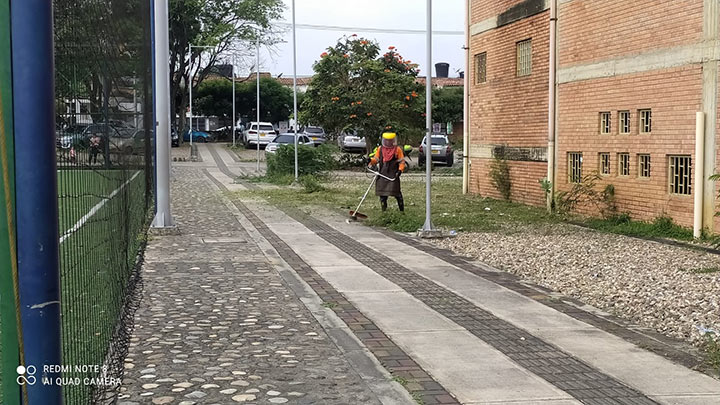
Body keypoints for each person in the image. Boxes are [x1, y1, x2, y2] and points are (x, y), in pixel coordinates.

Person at [368, 132, 406, 211]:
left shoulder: (397, 150)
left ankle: (402, 211)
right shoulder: (380, 149)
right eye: (386, 140)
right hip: (382, 174)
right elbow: (376, 159)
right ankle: (384, 212)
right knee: (382, 196)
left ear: (393, 141)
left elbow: (402, 161)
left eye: (390, 140)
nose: (388, 142)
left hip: (393, 175)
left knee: (397, 194)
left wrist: (400, 170)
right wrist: (370, 161)